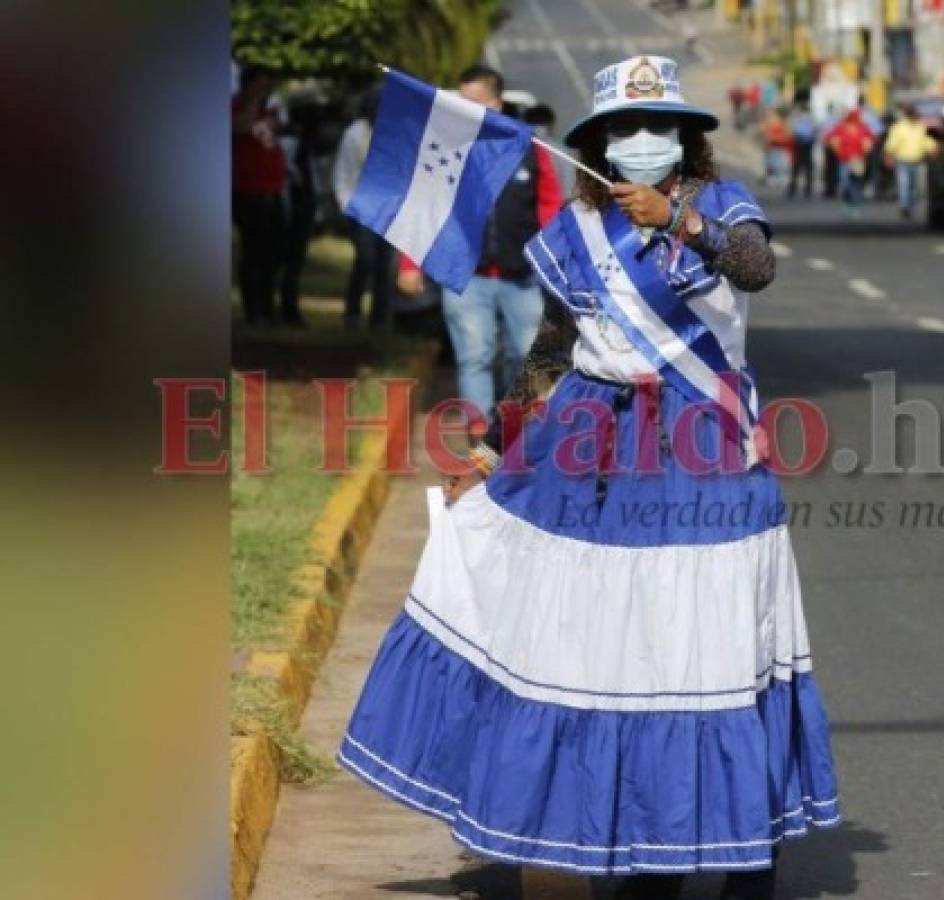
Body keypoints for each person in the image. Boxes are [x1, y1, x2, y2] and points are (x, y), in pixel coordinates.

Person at [341, 55, 840, 900]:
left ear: (686, 138)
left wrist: (681, 223)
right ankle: (642, 844)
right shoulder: (575, 230)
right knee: (617, 651)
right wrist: (494, 449)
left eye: (658, 128)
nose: (642, 143)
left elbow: (754, 267)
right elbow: (549, 354)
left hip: (705, 451)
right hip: (591, 449)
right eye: (623, 131)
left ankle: (741, 848)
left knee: (710, 644)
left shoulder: (721, 206)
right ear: (599, 145)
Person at [398, 65, 562, 432]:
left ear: (497, 103)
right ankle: (479, 432)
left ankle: (514, 423)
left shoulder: (530, 151)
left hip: (523, 278)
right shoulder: (446, 152)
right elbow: (424, 209)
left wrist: (557, 262)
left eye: (476, 103)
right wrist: (409, 264)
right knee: (474, 356)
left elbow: (550, 209)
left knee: (525, 354)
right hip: (465, 277)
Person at [334, 89, 395, 330]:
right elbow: (343, 172)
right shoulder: (354, 134)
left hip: (389, 209)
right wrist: (346, 205)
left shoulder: (395, 134)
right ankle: (353, 312)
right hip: (362, 208)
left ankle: (379, 319)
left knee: (386, 266)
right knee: (365, 259)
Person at [232, 65, 286, 325]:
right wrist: (252, 99)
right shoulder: (236, 107)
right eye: (261, 84)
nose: (266, 90)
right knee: (253, 251)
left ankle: (267, 305)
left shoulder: (270, 111)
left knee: (272, 252)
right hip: (246, 190)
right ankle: (252, 308)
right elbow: (239, 128)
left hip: (272, 189)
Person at [277, 94, 320, 328]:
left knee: (296, 261)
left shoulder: (307, 148)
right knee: (286, 261)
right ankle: (284, 305)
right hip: (291, 206)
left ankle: (289, 304)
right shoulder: (290, 145)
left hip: (305, 206)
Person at [884, 102, 939, 218]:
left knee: (915, 187)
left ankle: (911, 206)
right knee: (904, 185)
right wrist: (889, 156)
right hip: (902, 161)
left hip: (917, 161)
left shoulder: (920, 127)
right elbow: (892, 143)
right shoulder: (899, 128)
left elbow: (924, 140)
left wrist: (933, 148)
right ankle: (905, 207)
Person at [825, 106, 876, 213]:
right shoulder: (840, 127)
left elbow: (869, 141)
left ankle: (854, 202)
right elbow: (831, 139)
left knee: (856, 181)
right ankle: (850, 199)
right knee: (845, 181)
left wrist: (867, 148)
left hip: (858, 159)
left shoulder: (863, 128)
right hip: (844, 159)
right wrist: (836, 146)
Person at [787, 102, 817, 198]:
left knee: (796, 167)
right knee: (807, 168)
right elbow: (814, 132)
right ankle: (807, 188)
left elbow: (794, 131)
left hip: (799, 143)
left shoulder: (798, 119)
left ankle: (793, 187)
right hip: (807, 144)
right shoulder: (811, 119)